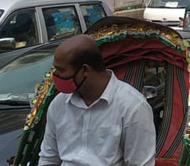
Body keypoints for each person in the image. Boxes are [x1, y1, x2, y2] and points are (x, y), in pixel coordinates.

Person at [39, 35, 156, 166]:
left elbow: (140, 163)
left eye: (60, 70)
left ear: (84, 70)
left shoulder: (133, 107)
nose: (55, 76)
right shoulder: (59, 104)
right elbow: (48, 159)